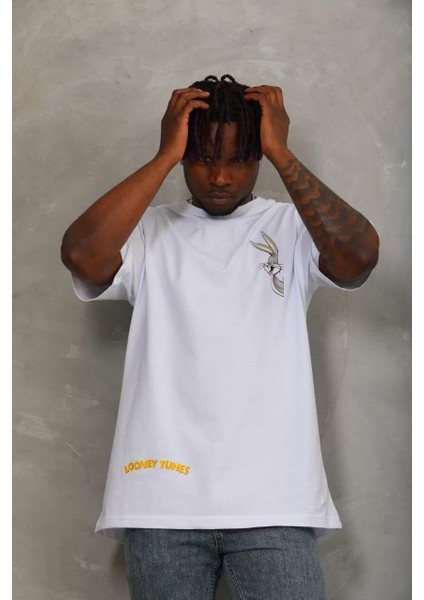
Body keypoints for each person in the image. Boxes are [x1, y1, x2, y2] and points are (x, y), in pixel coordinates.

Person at [61, 74, 379, 599]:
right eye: (203, 159)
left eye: (240, 159)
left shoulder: (293, 228)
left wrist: (281, 152)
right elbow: (81, 255)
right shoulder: (147, 232)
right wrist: (164, 156)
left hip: (275, 501)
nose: (221, 177)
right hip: (160, 502)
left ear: (259, 157)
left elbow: (358, 257)